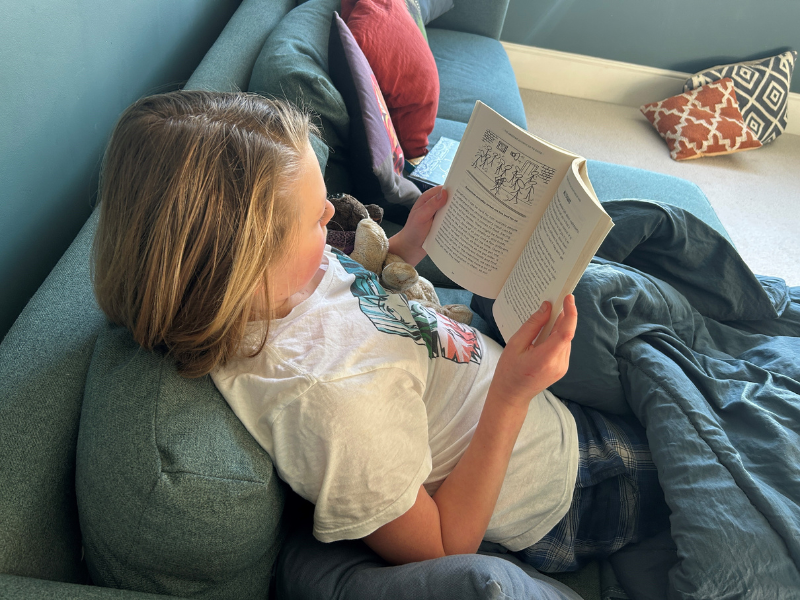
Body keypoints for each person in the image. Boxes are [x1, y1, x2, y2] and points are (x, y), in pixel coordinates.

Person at [92, 90, 669, 574]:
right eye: (317, 219)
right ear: (245, 261)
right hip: (559, 489)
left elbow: (347, 301)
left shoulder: (273, 288)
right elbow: (447, 546)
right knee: (723, 469)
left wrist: (406, 246)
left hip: (536, 411)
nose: (331, 221)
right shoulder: (330, 404)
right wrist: (512, 392)